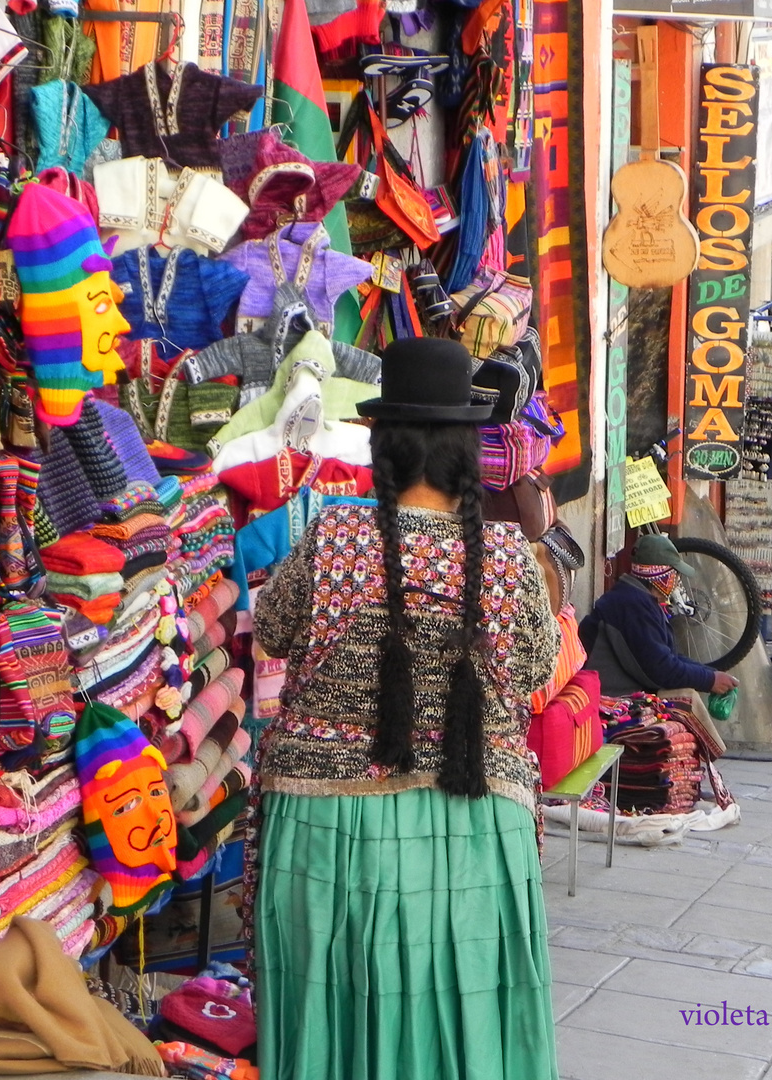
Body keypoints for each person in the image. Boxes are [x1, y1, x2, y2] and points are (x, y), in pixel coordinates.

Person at [250, 338, 562, 1080]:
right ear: (466, 453)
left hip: (330, 829)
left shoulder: (333, 536)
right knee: (467, 1011)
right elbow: (535, 668)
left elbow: (271, 630)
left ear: (383, 448)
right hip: (474, 820)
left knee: (334, 1010)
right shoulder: (512, 556)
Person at [579, 532, 739, 698]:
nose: (677, 581)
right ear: (660, 577)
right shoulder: (633, 606)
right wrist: (709, 680)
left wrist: (711, 674)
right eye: (674, 575)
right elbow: (662, 669)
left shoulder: (638, 599)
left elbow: (670, 657)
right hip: (605, 694)